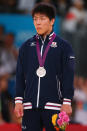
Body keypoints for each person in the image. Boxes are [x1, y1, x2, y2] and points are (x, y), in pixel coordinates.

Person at [14, 2, 75, 131]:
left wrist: (67, 102)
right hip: (29, 107)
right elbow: (19, 76)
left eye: (42, 19)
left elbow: (68, 76)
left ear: (52, 21)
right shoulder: (26, 47)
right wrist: (18, 101)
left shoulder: (64, 47)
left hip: (54, 107)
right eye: (35, 19)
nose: (38, 23)